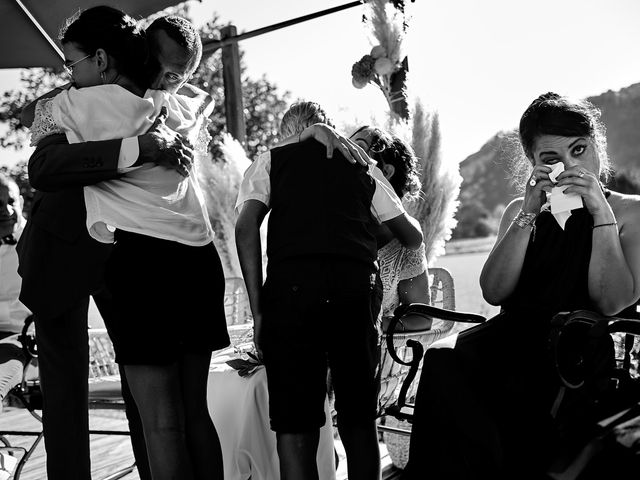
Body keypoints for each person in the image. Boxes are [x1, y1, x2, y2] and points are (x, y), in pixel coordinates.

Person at [18, 7, 220, 480]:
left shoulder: (170, 104)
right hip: (62, 249)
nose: (166, 79)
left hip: (133, 254)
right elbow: (45, 168)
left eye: (178, 74)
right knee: (67, 392)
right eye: (161, 64)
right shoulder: (72, 101)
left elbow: (193, 103)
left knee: (149, 402)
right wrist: (137, 148)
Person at [401, 92, 640, 480]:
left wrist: (600, 212)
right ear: (534, 164)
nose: (571, 165)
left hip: (576, 344)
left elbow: (612, 301)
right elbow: (493, 292)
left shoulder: (632, 211)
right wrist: (529, 211)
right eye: (552, 158)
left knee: (519, 383)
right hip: (512, 334)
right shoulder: (520, 210)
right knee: (444, 359)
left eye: (580, 149)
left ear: (598, 146)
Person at [235, 115, 423, 480]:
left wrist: (260, 312)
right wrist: (361, 241)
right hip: (353, 294)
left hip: (290, 296)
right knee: (357, 420)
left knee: (294, 428)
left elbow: (245, 228)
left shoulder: (272, 160)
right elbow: (411, 236)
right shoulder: (363, 167)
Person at [348, 126, 431, 332]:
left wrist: (373, 326)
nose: (346, 151)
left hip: (372, 353)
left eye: (357, 146)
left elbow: (421, 318)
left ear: (385, 172)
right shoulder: (334, 216)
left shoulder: (406, 240)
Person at [0, 174, 32, 412]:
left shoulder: (39, 242)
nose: (7, 210)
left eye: (11, 201)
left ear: (20, 201)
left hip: (22, 341)